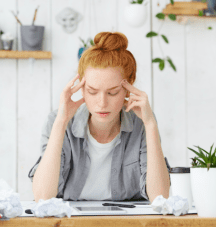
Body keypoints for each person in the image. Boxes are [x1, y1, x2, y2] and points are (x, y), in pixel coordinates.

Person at [28, 32, 171, 202]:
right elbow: (43, 197)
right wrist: (61, 122)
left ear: (128, 87)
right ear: (81, 87)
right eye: (92, 92)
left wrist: (150, 125)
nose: (102, 103)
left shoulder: (141, 122)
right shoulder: (58, 121)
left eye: (112, 92)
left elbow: (160, 197)